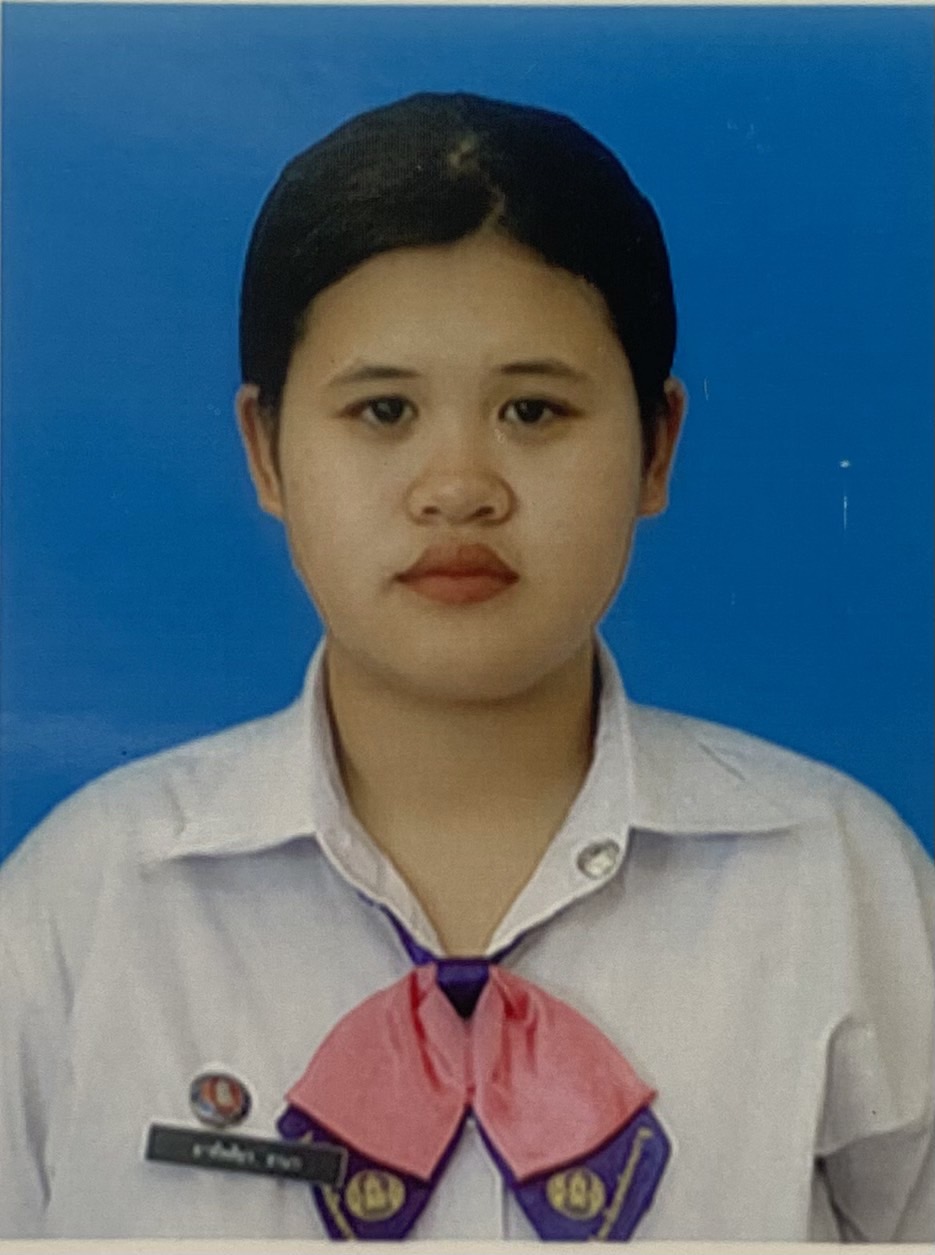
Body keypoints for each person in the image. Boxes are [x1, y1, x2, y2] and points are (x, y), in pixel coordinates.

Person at [1, 91, 932, 1242]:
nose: (458, 486)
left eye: (532, 410)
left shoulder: (840, 893)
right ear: (265, 450)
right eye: (383, 409)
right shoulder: (84, 910)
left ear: (654, 445)